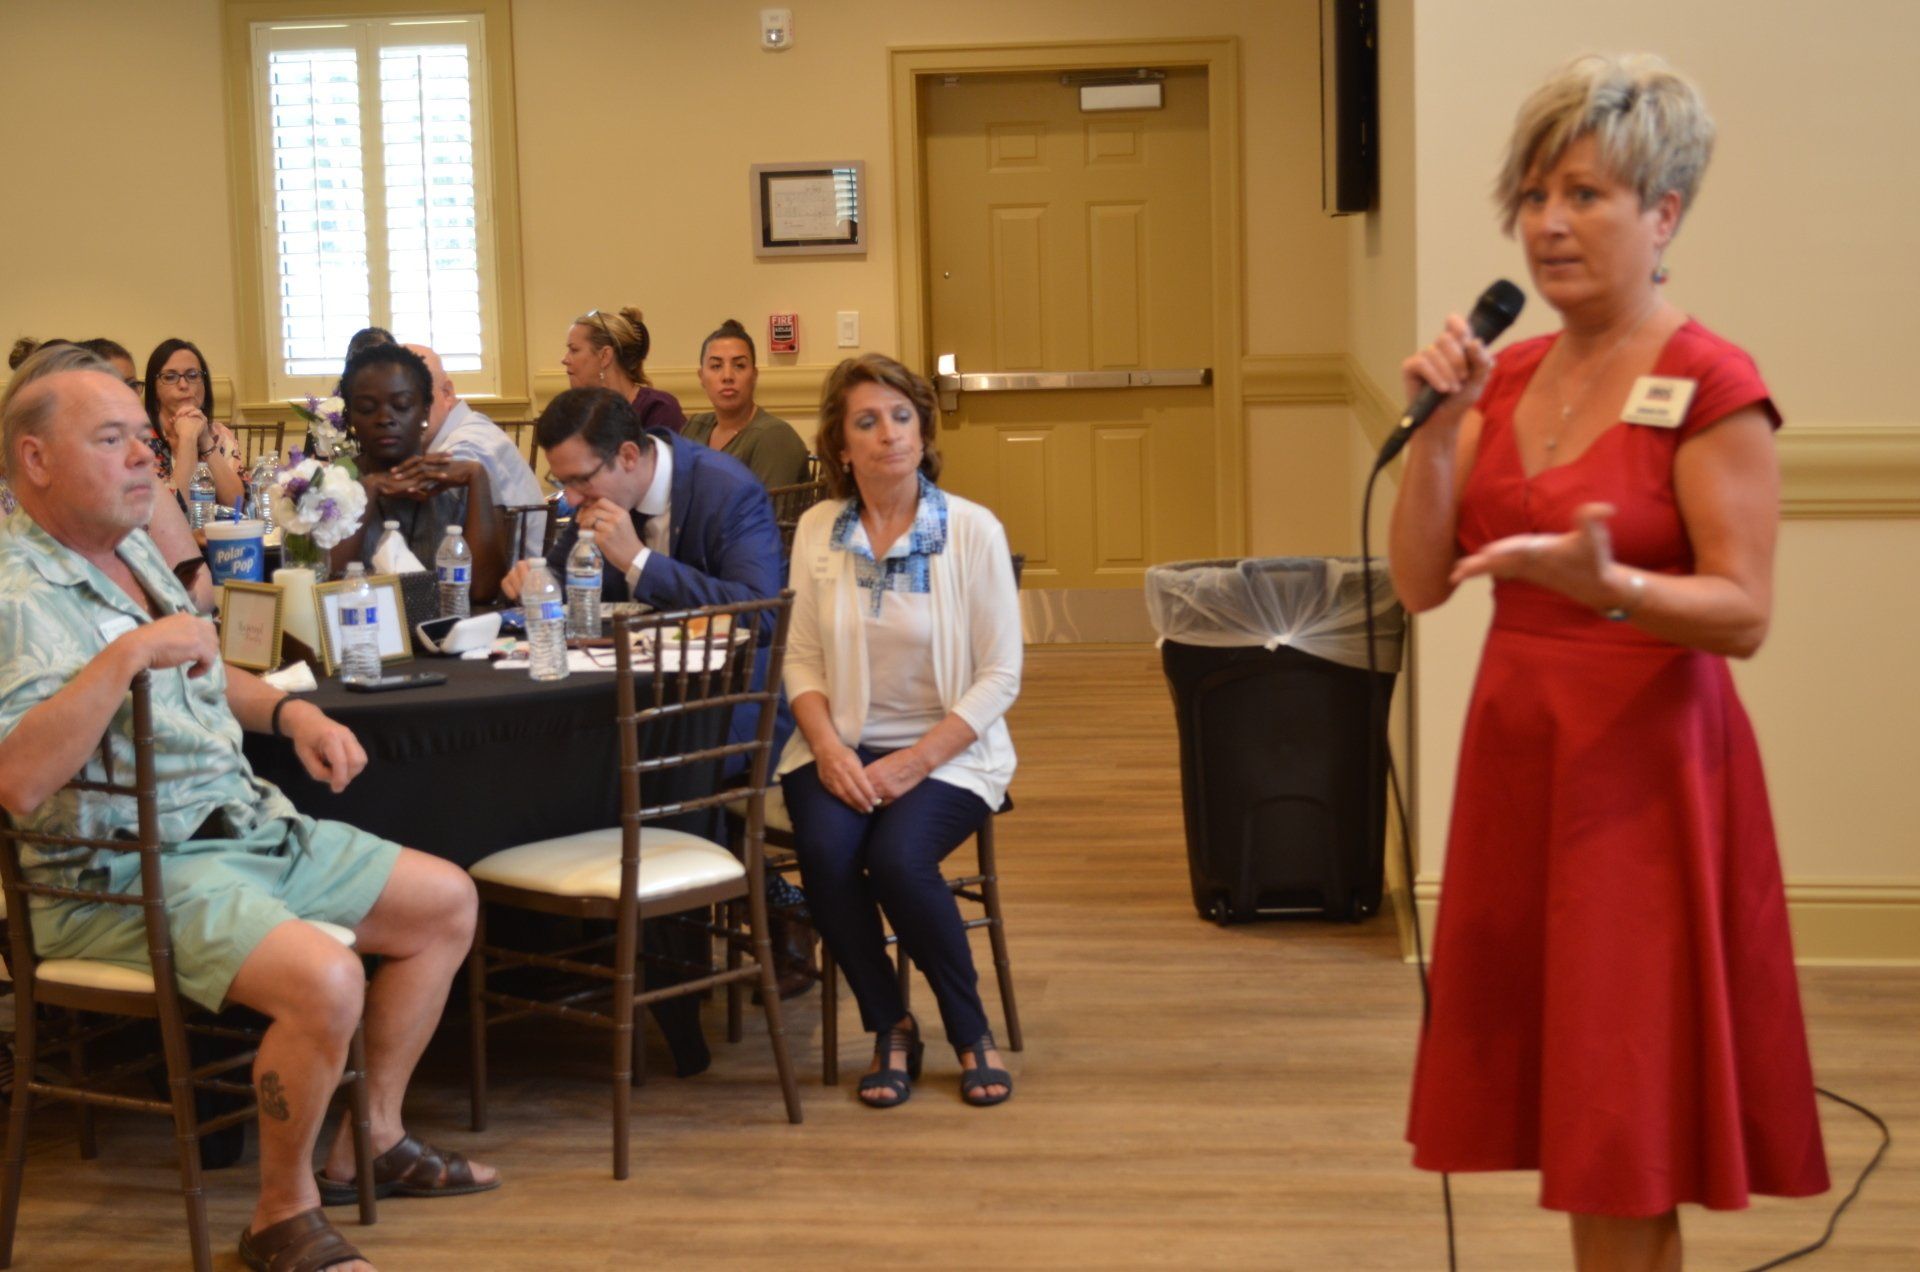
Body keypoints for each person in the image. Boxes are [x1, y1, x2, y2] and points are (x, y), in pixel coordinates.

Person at [1390, 54, 1828, 1270]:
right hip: (1521, 761)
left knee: (1623, 1117)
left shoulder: (1712, 381)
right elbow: (1420, 584)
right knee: (1570, 1103)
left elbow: (1744, 612)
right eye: (1534, 196)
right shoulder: (1509, 374)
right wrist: (1436, 433)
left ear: (1664, 212)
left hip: (1642, 780)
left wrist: (1614, 590)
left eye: (1585, 194)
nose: (1548, 223)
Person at [0, 349, 497, 1272]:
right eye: (111, 440)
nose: (144, 455)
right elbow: (18, 781)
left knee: (444, 903)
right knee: (327, 981)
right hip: (121, 874)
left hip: (241, 829)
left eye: (142, 437)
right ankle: (280, 1215)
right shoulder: (13, 595)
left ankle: (370, 1140)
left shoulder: (129, 549)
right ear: (35, 460)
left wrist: (291, 712)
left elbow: (199, 663)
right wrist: (126, 657)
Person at [776, 353, 1022, 1110]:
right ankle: (891, 1024)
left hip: (950, 752)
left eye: (902, 416)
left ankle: (969, 1029)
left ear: (923, 429)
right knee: (825, 854)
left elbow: (1001, 675)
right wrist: (827, 748)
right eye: (868, 421)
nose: (890, 434)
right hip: (840, 744)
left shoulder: (972, 530)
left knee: (897, 860)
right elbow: (800, 658)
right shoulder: (818, 529)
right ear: (841, 446)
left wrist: (914, 763)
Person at [326, 344, 505, 599]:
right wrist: (369, 489)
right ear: (350, 417)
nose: (385, 418)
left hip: (449, 623)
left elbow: (482, 592)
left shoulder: (458, 483)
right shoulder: (334, 484)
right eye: (367, 408)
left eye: (401, 405)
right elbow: (328, 588)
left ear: (425, 410)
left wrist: (478, 478)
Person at [405, 342, 545, 552]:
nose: (391, 417)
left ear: (447, 392)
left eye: (409, 399)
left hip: (513, 572)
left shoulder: (464, 449)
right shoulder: (469, 428)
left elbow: (432, 551)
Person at [682, 319, 811, 489]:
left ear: (754, 375)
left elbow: (769, 506)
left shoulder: (773, 436)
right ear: (701, 377)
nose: (727, 376)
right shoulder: (695, 427)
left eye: (739, 366)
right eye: (716, 366)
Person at [143, 338, 244, 509]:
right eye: (170, 377)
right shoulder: (141, 440)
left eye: (192, 375)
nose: (183, 385)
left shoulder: (220, 434)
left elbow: (237, 505)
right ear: (155, 389)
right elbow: (176, 510)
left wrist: (205, 440)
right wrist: (188, 438)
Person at [559, 307, 686, 433]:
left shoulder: (659, 408)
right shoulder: (575, 413)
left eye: (574, 350)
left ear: (605, 356)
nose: (564, 360)